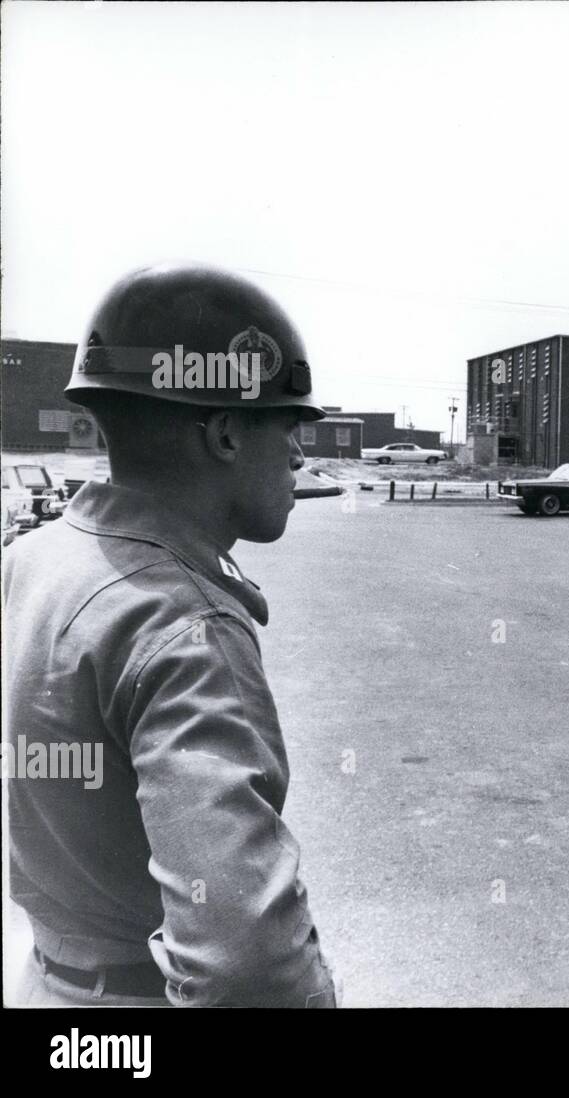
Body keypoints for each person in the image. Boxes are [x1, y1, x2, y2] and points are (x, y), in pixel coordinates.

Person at [3, 263, 339, 1007]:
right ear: (224, 433)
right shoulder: (186, 626)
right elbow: (248, 962)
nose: (299, 454)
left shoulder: (34, 558)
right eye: (287, 424)